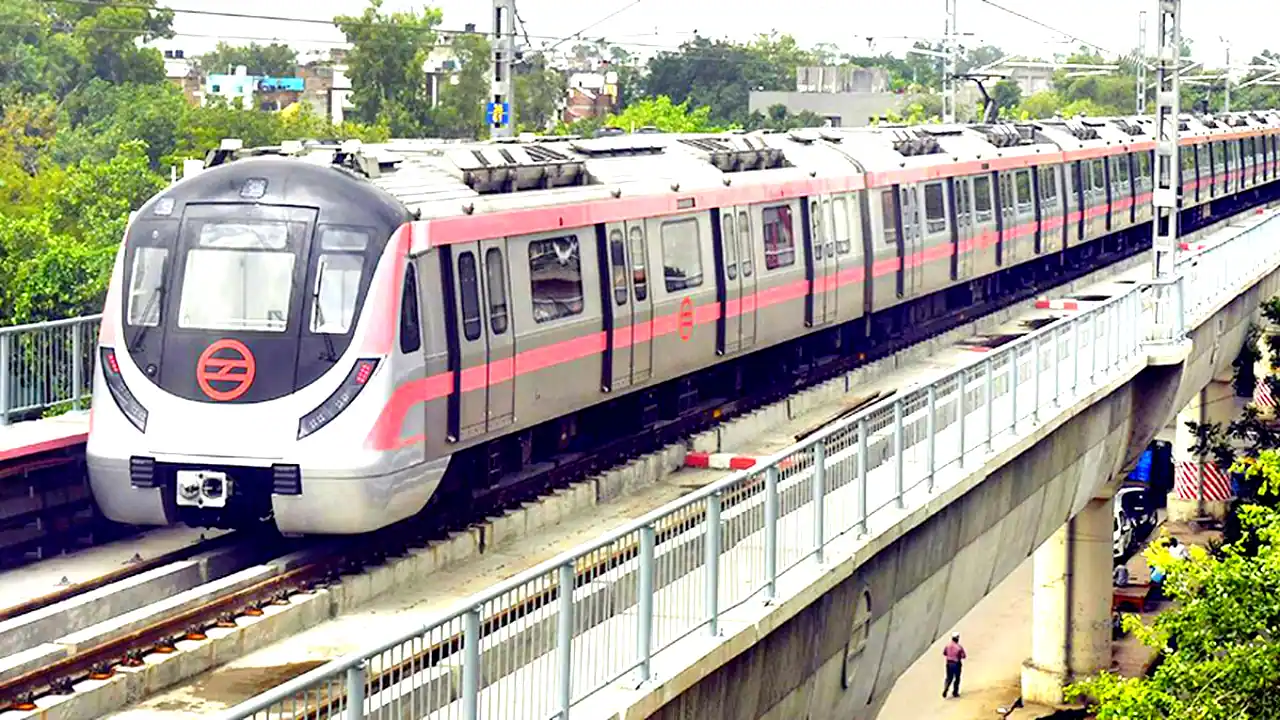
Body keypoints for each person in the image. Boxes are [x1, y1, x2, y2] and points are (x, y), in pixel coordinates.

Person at [943, 632, 966, 698]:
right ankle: (955, 692)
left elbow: (944, 653)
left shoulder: (947, 646)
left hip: (948, 663)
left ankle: (946, 688)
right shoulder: (959, 647)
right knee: (957, 678)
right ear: (957, 639)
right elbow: (963, 656)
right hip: (956, 664)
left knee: (949, 677)